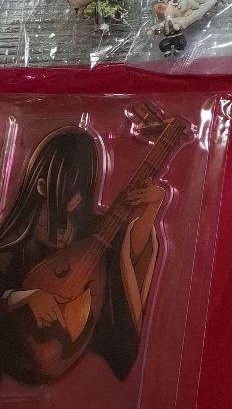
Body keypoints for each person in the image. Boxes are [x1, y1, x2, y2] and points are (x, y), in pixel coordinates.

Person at [0, 126, 165, 384]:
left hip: (76, 335)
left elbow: (127, 256)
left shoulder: (91, 229)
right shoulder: (19, 237)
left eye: (81, 188)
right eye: (67, 189)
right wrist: (26, 297)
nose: (76, 199)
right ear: (41, 185)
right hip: (16, 340)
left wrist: (152, 207)